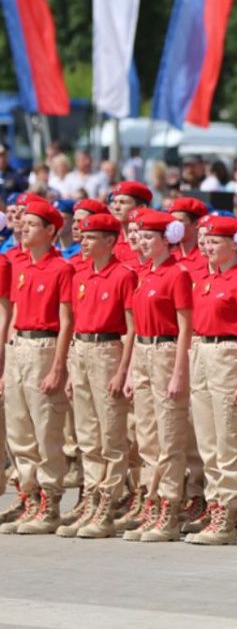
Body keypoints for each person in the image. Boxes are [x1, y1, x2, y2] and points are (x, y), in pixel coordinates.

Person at [55, 213, 137, 539]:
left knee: (111, 434)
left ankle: (108, 501)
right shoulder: (80, 275)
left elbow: (131, 330)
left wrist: (122, 370)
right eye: (83, 237)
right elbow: (74, 321)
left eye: (91, 237)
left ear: (109, 241)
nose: (84, 242)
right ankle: (90, 497)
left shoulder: (123, 275)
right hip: (82, 350)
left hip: (108, 350)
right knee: (87, 434)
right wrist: (72, 369)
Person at [0, 200, 74, 535]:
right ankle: (28, 495)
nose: (24, 228)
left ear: (50, 231)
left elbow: (66, 321)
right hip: (20, 346)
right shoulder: (21, 266)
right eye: (23, 223)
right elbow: (13, 314)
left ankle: (50, 501)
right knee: (18, 429)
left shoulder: (61, 268)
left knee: (46, 428)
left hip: (45, 345)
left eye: (32, 224)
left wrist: (59, 366)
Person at [185, 216, 237, 546]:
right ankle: (214, 504)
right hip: (202, 352)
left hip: (229, 354)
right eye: (207, 241)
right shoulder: (203, 281)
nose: (208, 247)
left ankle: (227, 512)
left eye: (216, 242)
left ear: (235, 244)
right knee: (207, 440)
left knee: (229, 437)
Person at [122, 211, 195, 543]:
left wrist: (179, 371)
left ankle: (168, 505)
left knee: (169, 435)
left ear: (167, 239)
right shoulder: (143, 274)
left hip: (166, 351)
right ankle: (151, 501)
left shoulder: (176, 274)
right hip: (144, 351)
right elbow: (135, 327)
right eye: (139, 235)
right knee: (147, 435)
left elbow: (185, 328)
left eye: (150, 236)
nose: (142, 241)